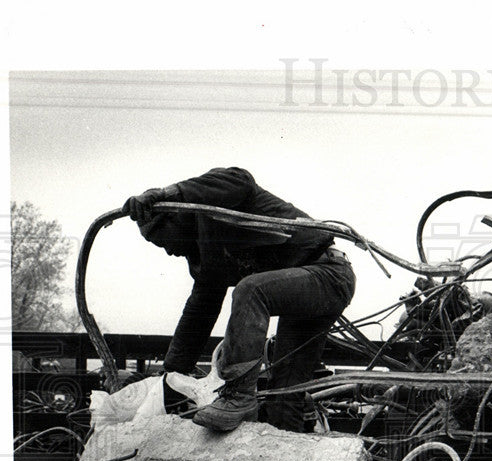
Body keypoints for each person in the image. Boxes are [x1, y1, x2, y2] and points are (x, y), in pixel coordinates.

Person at [123, 166, 355, 433]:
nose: (168, 252)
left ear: (177, 221)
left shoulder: (216, 202)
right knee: (284, 397)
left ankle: (238, 396)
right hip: (303, 297)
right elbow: (198, 313)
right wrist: (171, 374)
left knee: (251, 290)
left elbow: (239, 179)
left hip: (329, 275)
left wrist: (168, 193)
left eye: (163, 242)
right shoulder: (207, 261)